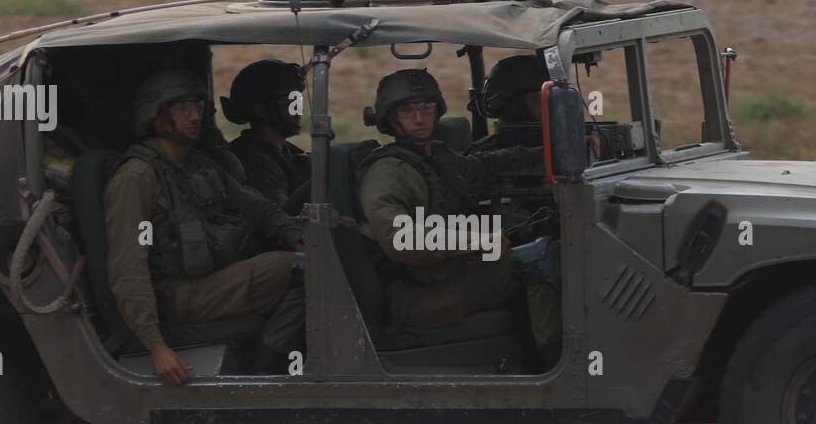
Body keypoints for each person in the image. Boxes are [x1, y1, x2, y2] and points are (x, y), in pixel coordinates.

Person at [104, 69, 305, 384]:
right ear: (155, 118)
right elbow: (128, 269)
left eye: (197, 106)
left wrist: (299, 238)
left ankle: (272, 359)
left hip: (214, 281)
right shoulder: (136, 179)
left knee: (314, 264)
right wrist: (156, 347)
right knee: (301, 270)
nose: (194, 115)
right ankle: (267, 369)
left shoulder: (200, 165)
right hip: (180, 296)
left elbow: (259, 209)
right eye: (181, 107)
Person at [356, 68, 564, 369]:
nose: (419, 118)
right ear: (390, 118)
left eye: (426, 108)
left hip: (449, 275)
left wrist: (553, 152)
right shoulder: (387, 172)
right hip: (419, 296)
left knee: (541, 243)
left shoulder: (433, 157)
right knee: (537, 262)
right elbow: (399, 239)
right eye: (408, 110)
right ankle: (557, 367)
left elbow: (485, 165)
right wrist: (477, 240)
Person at [222, 59, 311, 214]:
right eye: (290, 102)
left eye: (298, 101)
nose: (298, 110)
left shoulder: (289, 152)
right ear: (260, 110)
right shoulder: (250, 160)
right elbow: (282, 214)